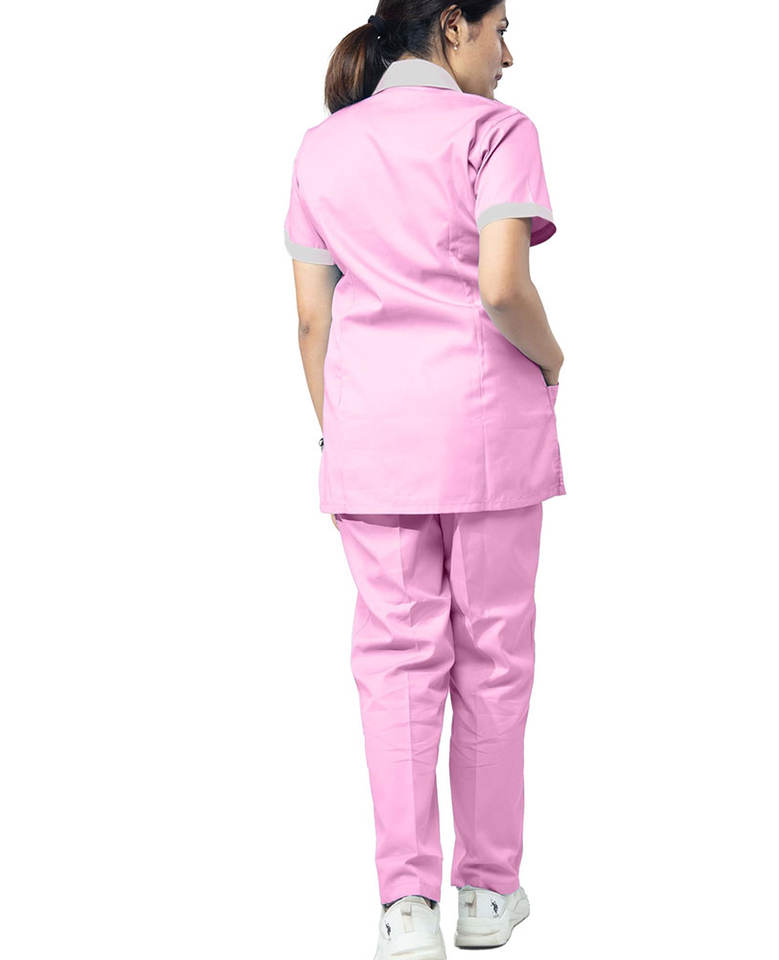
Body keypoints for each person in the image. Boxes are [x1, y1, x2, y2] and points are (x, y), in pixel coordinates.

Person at [284, 3, 566, 957]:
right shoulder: (497, 132)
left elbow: (313, 324)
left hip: (371, 444)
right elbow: (503, 287)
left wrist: (343, 440)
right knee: (494, 660)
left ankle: (405, 911)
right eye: (500, 29)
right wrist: (555, 358)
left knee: (397, 669)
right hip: (485, 431)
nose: (508, 53)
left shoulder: (322, 147)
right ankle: (485, 894)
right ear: (453, 24)